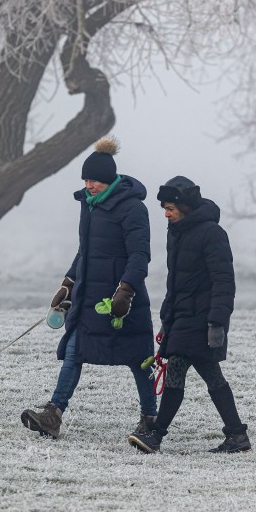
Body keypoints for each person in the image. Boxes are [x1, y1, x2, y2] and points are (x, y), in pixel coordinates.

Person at [21, 137, 157, 439]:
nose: (88, 185)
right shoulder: (89, 205)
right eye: (85, 179)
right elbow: (86, 251)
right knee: (74, 350)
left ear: (108, 180)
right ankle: (53, 414)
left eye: (93, 180)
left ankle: (150, 418)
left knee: (139, 358)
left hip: (123, 302)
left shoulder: (133, 208)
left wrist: (126, 290)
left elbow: (140, 255)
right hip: (89, 298)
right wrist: (69, 283)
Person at [128, 176, 251, 454]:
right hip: (182, 317)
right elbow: (176, 281)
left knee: (178, 371)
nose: (166, 213)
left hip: (202, 320)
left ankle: (156, 435)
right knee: (211, 376)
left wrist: (217, 323)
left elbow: (224, 281)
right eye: (164, 208)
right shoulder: (177, 232)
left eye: (170, 208)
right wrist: (167, 316)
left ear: (184, 206)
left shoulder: (212, 233)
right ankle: (237, 435)